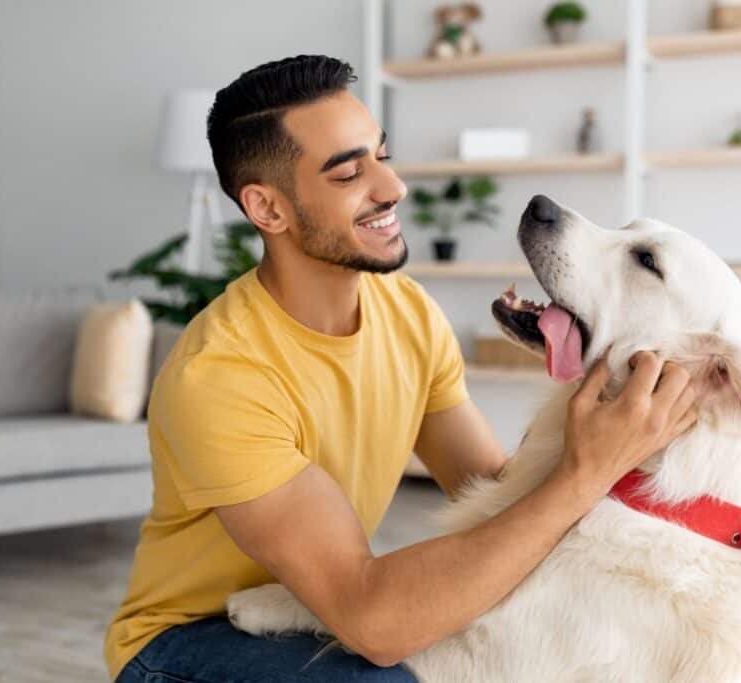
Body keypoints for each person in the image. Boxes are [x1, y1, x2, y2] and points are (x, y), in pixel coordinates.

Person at [104, 54, 697, 682]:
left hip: (319, 604)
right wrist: (585, 472)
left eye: (381, 156)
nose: (392, 189)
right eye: (347, 174)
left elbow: (493, 493)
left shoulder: (405, 310)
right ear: (268, 209)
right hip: (182, 645)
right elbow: (374, 623)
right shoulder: (222, 376)